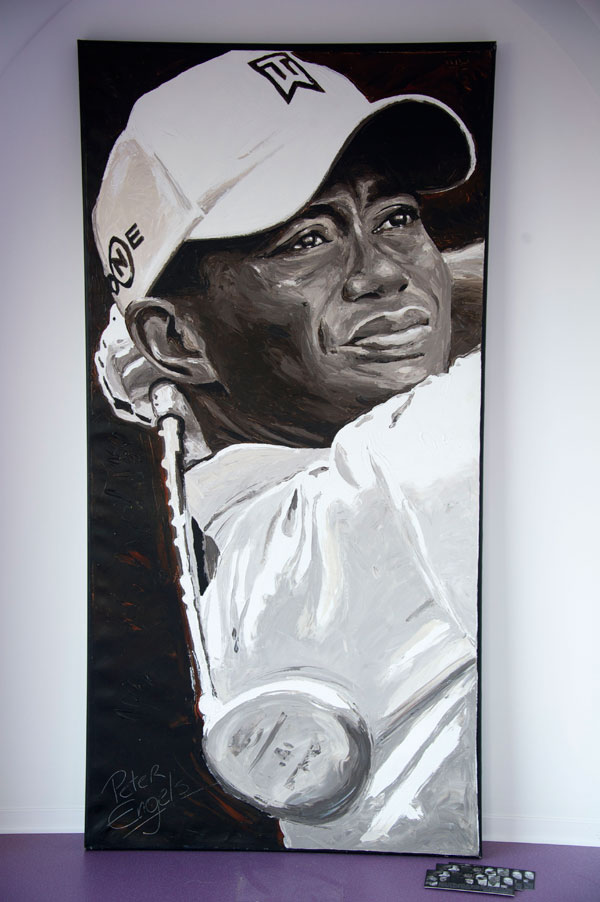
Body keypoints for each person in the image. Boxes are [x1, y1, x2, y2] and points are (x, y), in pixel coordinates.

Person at [92, 49, 484, 854]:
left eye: (396, 218)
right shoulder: (378, 490)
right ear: (175, 338)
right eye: (306, 239)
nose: (384, 273)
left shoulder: (266, 515)